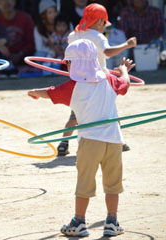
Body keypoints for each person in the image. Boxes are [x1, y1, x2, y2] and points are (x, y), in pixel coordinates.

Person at [28, 39, 135, 237]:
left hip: (89, 142)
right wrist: (123, 70)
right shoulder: (109, 79)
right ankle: (112, 221)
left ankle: (79, 221)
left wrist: (35, 93)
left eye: (68, 62)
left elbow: (50, 92)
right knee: (113, 184)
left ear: (72, 64)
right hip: (114, 140)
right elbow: (125, 85)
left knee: (84, 183)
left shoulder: (73, 86)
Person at [56, 3, 136, 156]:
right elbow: (108, 51)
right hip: (100, 81)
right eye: (105, 23)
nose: (104, 27)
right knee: (111, 112)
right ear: (100, 22)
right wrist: (126, 45)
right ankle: (120, 141)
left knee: (75, 115)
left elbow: (69, 51)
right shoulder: (97, 36)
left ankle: (63, 143)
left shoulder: (74, 35)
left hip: (80, 80)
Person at [0, 0, 35, 76]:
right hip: (4, 58)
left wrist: (20, 54)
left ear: (14, 2)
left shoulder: (26, 18)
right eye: (2, 1)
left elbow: (31, 43)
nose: (6, 3)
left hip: (24, 56)